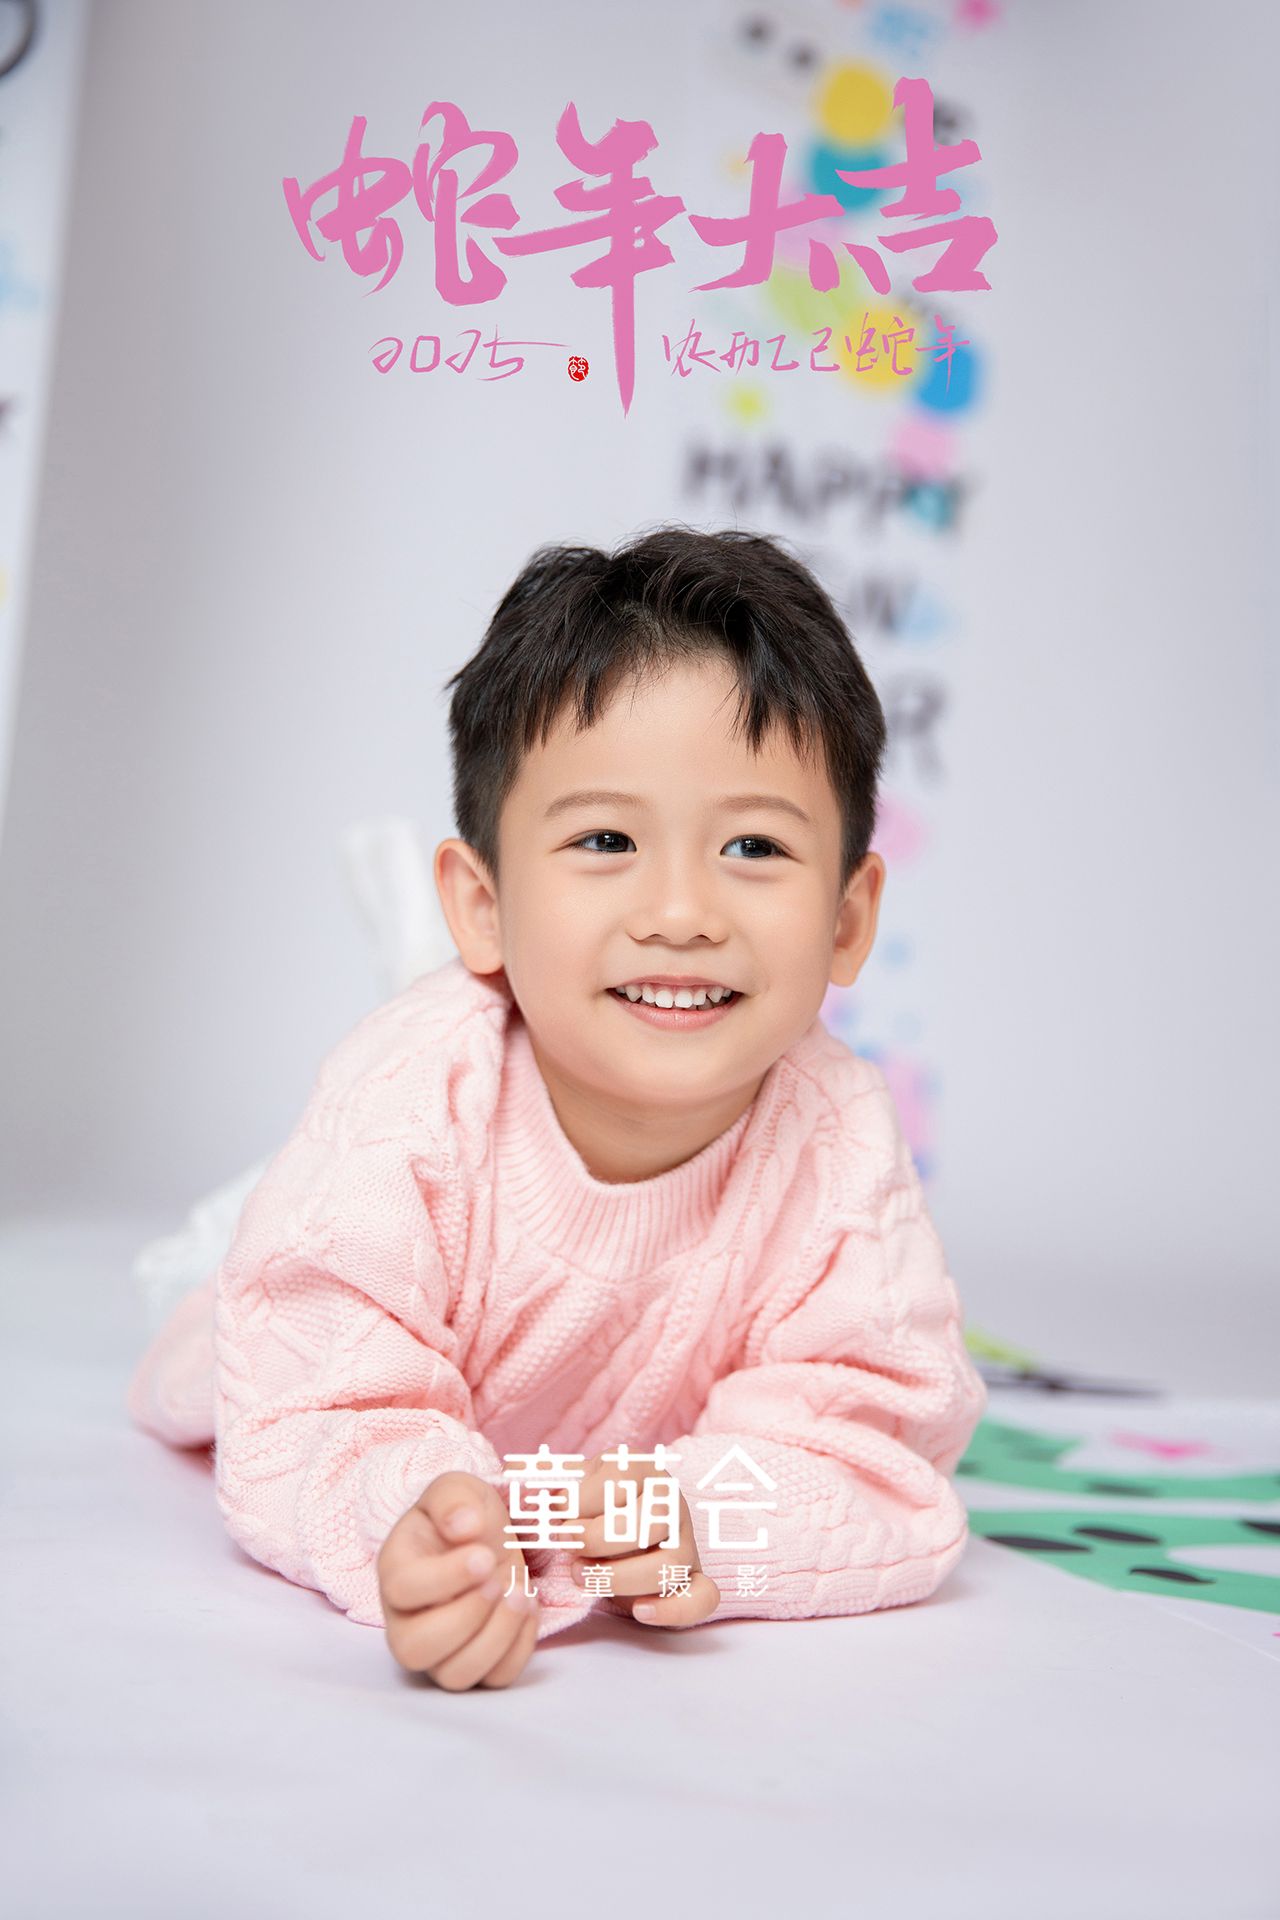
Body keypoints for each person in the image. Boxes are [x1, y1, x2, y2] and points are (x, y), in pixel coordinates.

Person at [126, 523, 988, 1692]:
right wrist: (427, 1531)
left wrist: (694, 1519)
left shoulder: (835, 1144)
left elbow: (874, 1453)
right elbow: (314, 1402)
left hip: (558, 1394)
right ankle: (228, 1227)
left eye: (750, 845)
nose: (679, 913)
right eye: (604, 839)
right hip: (341, 1245)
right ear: (481, 907)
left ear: (845, 919)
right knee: (222, 1289)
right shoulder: (406, 1103)